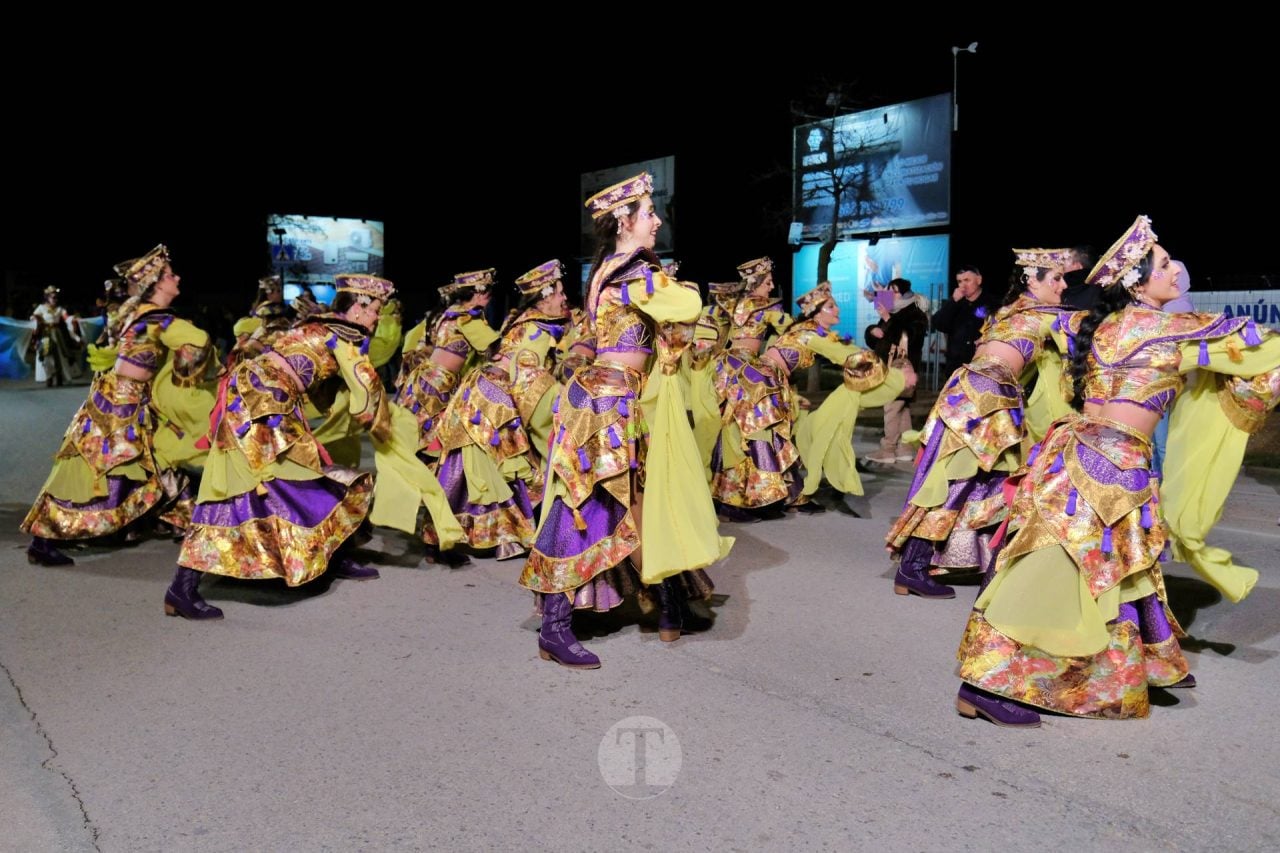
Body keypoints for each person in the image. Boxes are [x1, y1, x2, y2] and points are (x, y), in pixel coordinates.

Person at [954, 216, 1280, 725]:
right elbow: (1265, 349)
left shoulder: (1103, 326)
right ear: (1139, 281)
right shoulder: (1172, 328)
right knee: (1058, 569)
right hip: (1113, 462)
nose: (1176, 271)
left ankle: (1147, 664)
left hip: (1080, 453)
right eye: (1166, 264)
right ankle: (985, 682)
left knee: (1121, 562)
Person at [520, 172, 731, 668]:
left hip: (614, 399)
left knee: (635, 503)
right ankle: (555, 625)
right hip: (605, 404)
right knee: (583, 506)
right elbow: (688, 304)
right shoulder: (633, 271)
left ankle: (667, 603)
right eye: (649, 213)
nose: (656, 221)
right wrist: (670, 280)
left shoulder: (610, 270)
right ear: (624, 220)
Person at [167, 274, 434, 619]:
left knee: (308, 478)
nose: (376, 318)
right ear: (358, 306)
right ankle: (181, 587)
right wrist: (390, 432)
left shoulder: (322, 325)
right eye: (375, 310)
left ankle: (335, 555)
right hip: (262, 406)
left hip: (262, 399)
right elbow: (366, 392)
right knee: (241, 491)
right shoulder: (343, 337)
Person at [884, 249, 1075, 598]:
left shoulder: (1006, 311)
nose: (1064, 286)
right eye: (1057, 278)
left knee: (995, 483)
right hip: (986, 399)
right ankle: (912, 567)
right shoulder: (1046, 315)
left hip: (966, 392)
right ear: (1032, 280)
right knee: (957, 484)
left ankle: (987, 564)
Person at [22, 245, 213, 565]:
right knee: (102, 472)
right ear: (156, 283)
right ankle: (46, 537)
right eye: (170, 274)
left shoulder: (140, 312)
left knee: (154, 461)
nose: (177, 277)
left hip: (123, 399)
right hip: (120, 405)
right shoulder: (156, 319)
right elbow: (196, 347)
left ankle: (183, 519)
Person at [428, 260, 571, 561]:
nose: (564, 298)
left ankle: (456, 534)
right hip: (492, 399)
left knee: (474, 470)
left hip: (482, 391)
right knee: (493, 470)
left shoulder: (526, 322)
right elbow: (529, 380)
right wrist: (563, 402)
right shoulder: (535, 329)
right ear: (544, 297)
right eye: (559, 292)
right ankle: (494, 536)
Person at [770, 282, 907, 508]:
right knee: (776, 435)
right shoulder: (810, 335)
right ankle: (783, 491)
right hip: (766, 382)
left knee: (796, 423)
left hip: (777, 383)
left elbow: (845, 348)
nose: (838, 311)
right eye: (831, 307)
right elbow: (844, 355)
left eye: (836, 306)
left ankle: (790, 488)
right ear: (816, 312)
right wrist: (894, 376)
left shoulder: (814, 332)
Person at [710, 257, 806, 517]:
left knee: (733, 429)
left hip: (727, 369)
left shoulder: (728, 304)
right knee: (758, 426)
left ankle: (729, 493)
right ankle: (758, 495)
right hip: (749, 373)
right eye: (768, 281)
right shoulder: (769, 306)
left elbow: (714, 337)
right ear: (757, 282)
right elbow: (793, 331)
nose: (772, 285)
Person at [394, 271, 499, 458]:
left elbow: (412, 338)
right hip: (438, 384)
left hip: (424, 377)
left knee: (416, 436)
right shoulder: (468, 317)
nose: (488, 300)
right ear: (478, 294)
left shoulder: (447, 315)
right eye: (487, 295)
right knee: (437, 440)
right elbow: (495, 347)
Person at [863, 278, 929, 464]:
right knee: (901, 408)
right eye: (887, 290)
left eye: (893, 290)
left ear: (904, 293)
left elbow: (911, 338)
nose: (889, 294)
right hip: (887, 368)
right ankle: (905, 447)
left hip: (902, 370)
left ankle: (888, 450)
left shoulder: (914, 313)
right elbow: (878, 341)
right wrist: (872, 331)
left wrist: (887, 319)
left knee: (891, 407)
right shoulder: (892, 311)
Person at [933, 265, 996, 379]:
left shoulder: (992, 303)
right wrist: (953, 301)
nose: (963, 285)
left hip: (981, 364)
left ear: (979, 280)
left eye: (967, 280)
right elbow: (939, 324)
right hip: (956, 365)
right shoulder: (955, 303)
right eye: (959, 281)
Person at [30, 286, 83, 387]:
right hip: (45, 334)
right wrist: (35, 319)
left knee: (60, 355)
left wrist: (73, 319)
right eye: (52, 297)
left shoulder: (59, 309)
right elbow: (34, 317)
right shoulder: (41, 308)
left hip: (57, 334)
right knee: (46, 354)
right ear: (47, 298)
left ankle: (59, 377)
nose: (55, 299)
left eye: (56, 297)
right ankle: (48, 377)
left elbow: (66, 317)